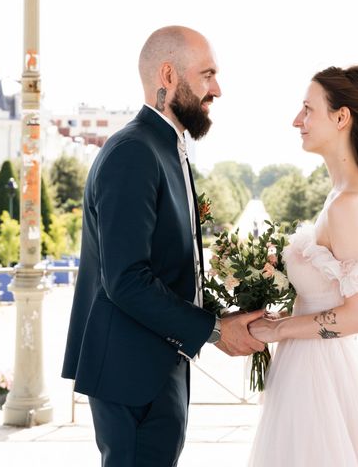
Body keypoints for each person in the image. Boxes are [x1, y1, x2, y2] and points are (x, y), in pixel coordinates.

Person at [61, 26, 265, 467]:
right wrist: (213, 330)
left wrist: (223, 314)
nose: (218, 89)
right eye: (207, 74)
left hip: (156, 364)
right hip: (133, 374)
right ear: (168, 75)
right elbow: (127, 280)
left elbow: (169, 265)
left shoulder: (167, 147)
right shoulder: (134, 151)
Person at [248, 65, 358, 466]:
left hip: (319, 381)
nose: (297, 120)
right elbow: (326, 295)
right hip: (307, 368)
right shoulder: (339, 195)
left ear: (341, 117)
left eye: (307, 109)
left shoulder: (349, 204)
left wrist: (279, 328)